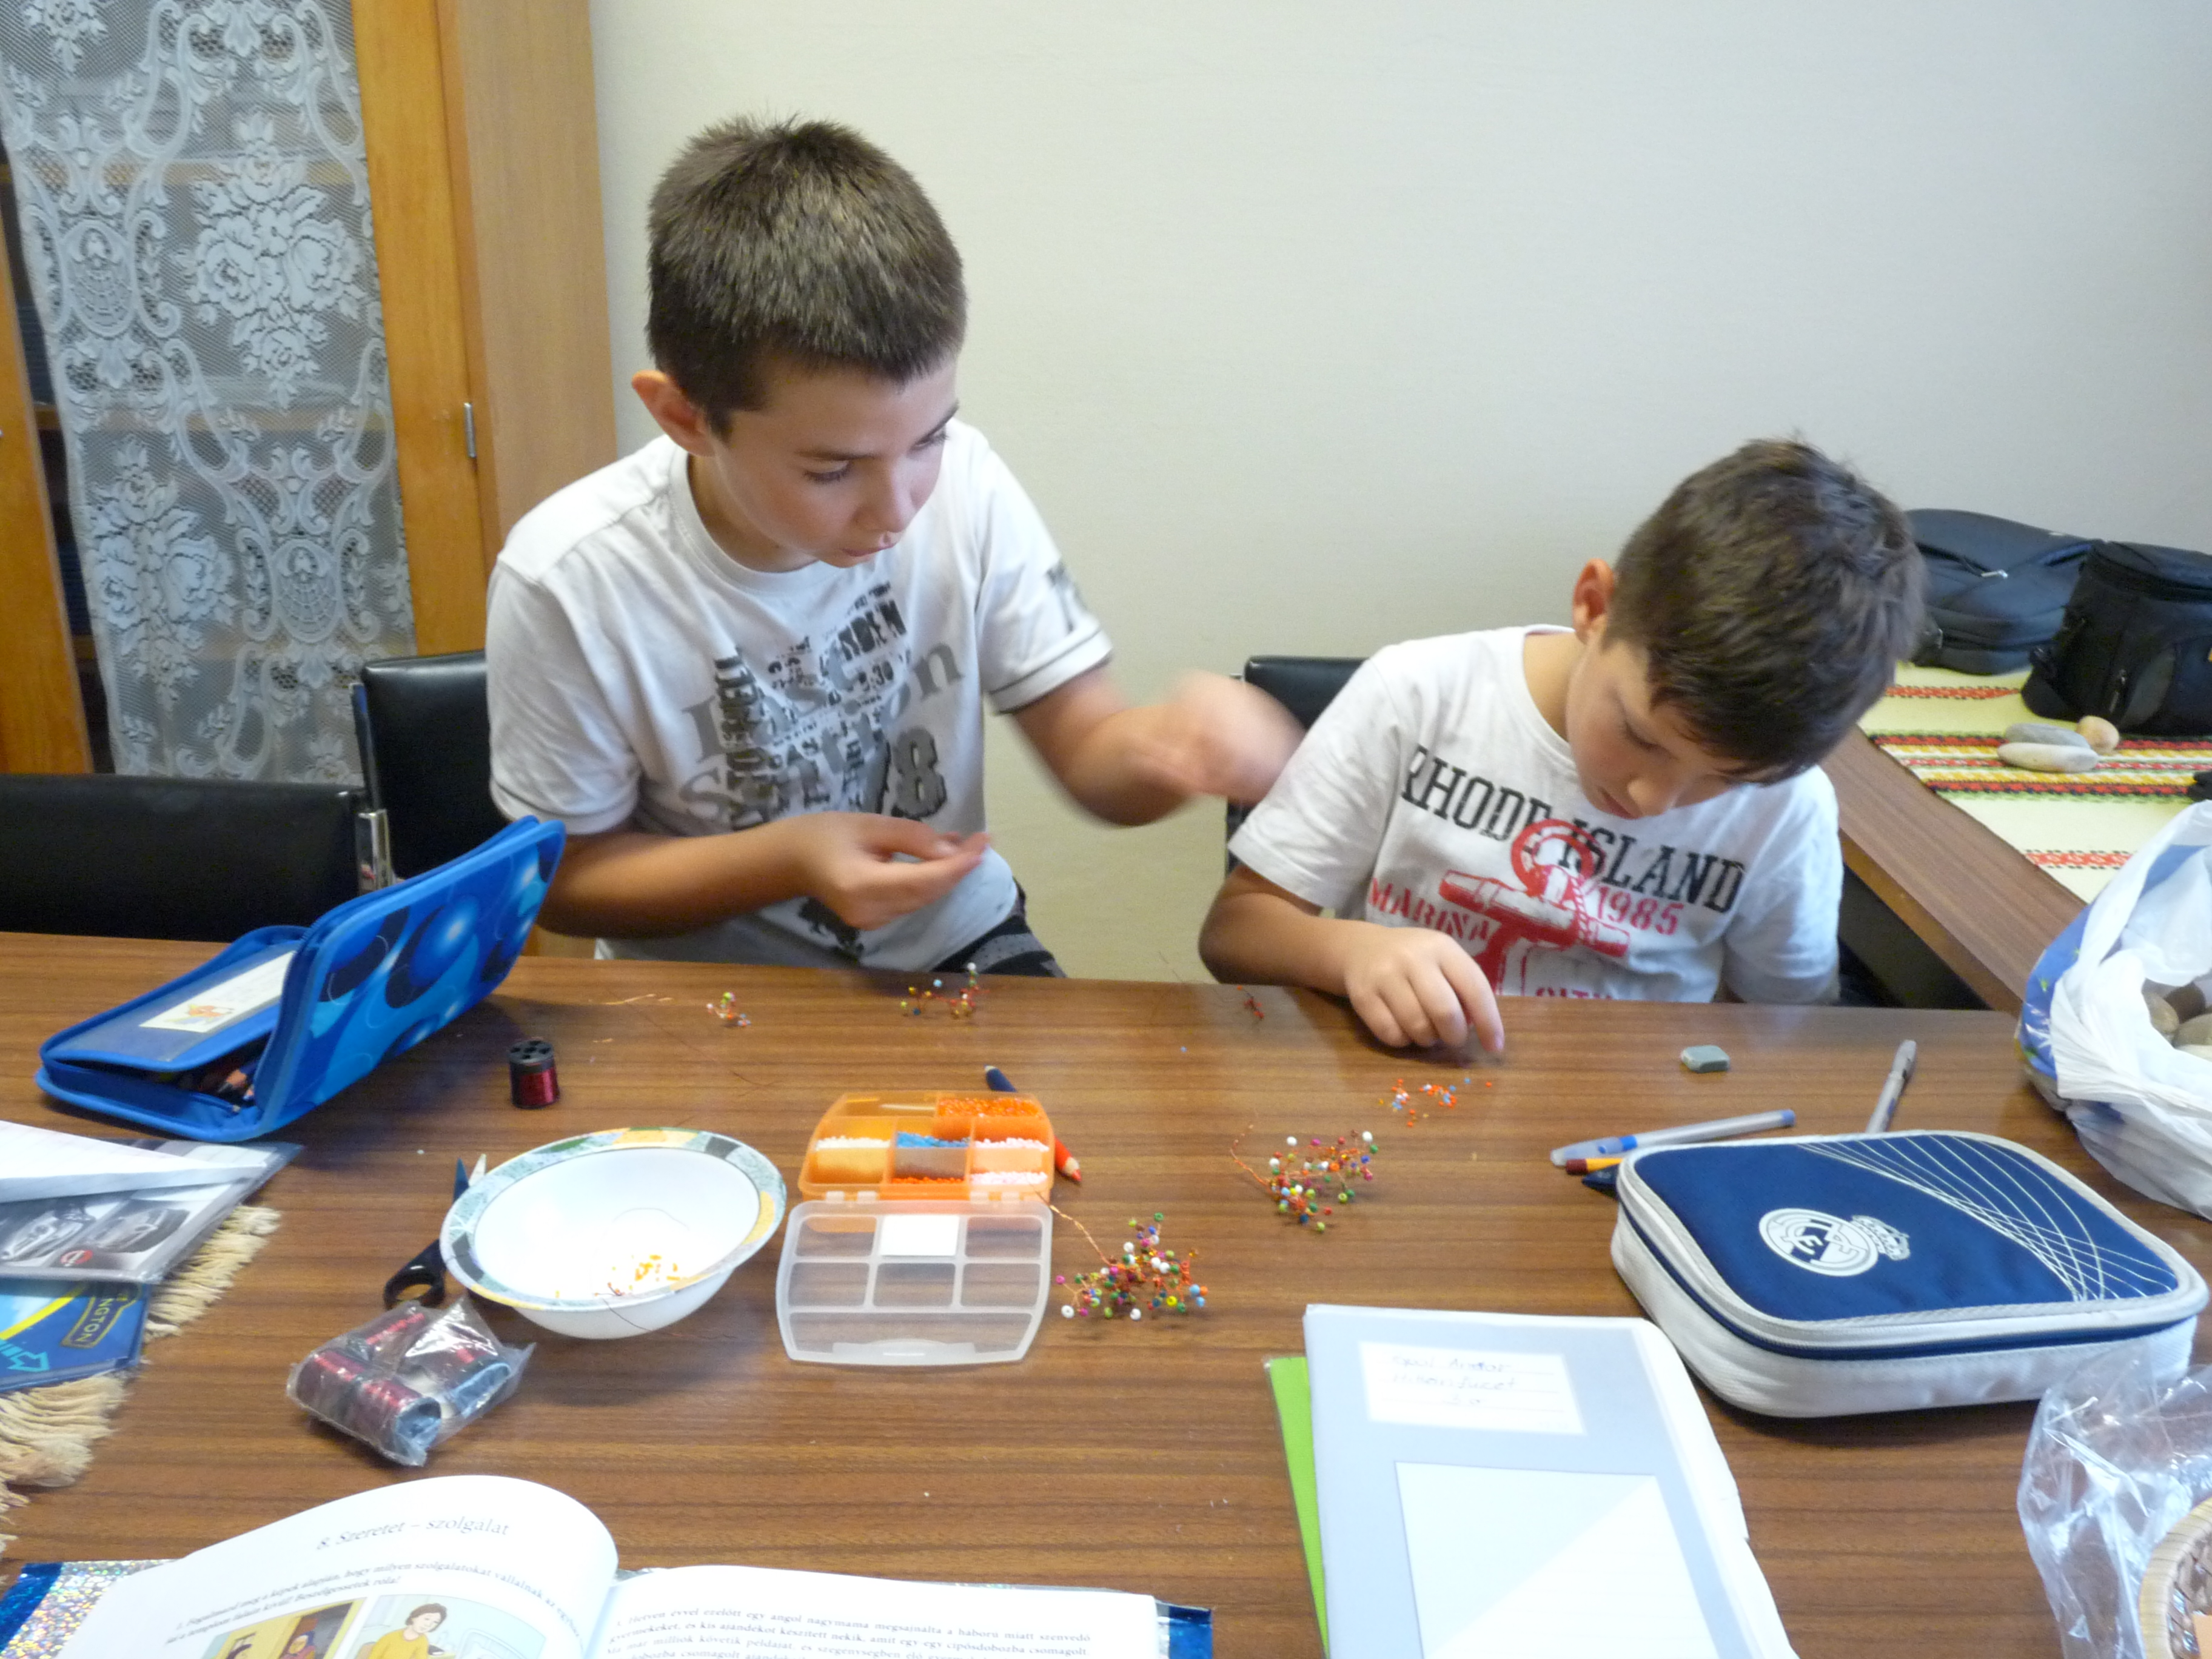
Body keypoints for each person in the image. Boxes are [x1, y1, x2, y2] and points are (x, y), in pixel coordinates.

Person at [486, 116, 1298, 974]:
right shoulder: (570, 579)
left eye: (928, 439)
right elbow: (566, 882)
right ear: (685, 416)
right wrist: (789, 857)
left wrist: (1167, 748)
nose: (899, 508)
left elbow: (1091, 754)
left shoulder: (968, 485)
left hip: (956, 941)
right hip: (699, 984)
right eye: (832, 469)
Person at [1199, 438, 1924, 1050]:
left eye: (1726, 780)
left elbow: (1785, 1025)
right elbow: (1236, 933)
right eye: (1639, 735)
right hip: (1414, 1088)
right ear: (1594, 606)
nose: (1654, 799)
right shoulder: (1417, 695)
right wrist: (1347, 952)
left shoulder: (1789, 806)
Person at [358, 1604, 446, 1659]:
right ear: (414, 1617)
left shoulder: (423, 1641)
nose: (429, 1625)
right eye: (427, 1619)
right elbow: (374, 1657)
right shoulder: (390, 1637)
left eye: (435, 1622)